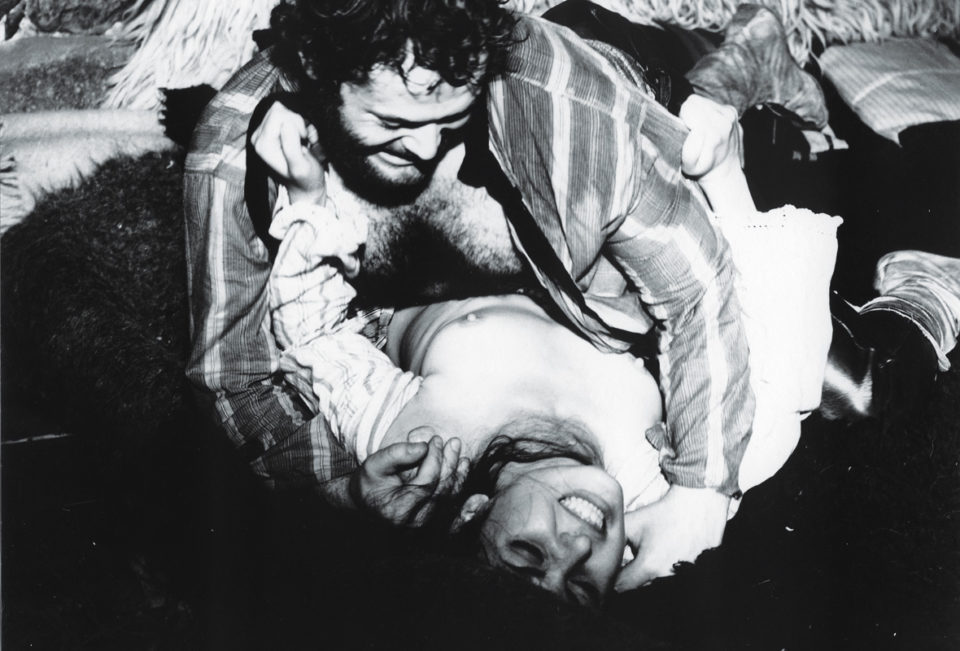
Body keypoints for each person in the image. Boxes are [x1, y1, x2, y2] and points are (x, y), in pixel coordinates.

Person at [182, 0, 852, 584]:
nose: (426, 148)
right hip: (511, 284)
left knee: (702, 132)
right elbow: (237, 381)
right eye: (393, 123)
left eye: (451, 117)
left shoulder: (565, 103)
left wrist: (701, 493)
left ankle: (745, 56)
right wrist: (343, 494)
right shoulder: (235, 158)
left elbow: (693, 288)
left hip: (619, 84)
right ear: (311, 73)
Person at [265, 141, 960, 601]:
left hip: (441, 235)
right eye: (583, 585)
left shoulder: (421, 446)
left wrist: (305, 197)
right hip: (602, 245)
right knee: (853, 391)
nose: (575, 545)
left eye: (529, 553)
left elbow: (311, 333)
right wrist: (728, 186)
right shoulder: (648, 482)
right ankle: (927, 298)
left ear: (474, 514)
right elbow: (766, 393)